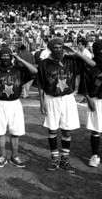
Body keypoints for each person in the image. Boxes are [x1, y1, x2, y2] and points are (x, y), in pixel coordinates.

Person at [38, 38, 95, 174]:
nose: (58, 49)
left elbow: (92, 64)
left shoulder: (71, 60)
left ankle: (65, 159)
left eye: (60, 47)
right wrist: (42, 102)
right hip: (51, 99)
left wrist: (76, 52)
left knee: (67, 130)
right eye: (55, 47)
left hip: (68, 99)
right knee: (52, 130)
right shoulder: (44, 64)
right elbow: (41, 85)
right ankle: (54, 159)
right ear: (50, 48)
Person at [0, 46, 37, 168]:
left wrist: (19, 59)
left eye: (7, 55)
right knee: (1, 132)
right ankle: (2, 156)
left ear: (11, 56)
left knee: (16, 131)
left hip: (15, 103)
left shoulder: (18, 70)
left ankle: (15, 156)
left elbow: (34, 71)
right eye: (3, 56)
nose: (5, 58)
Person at [80, 40, 102, 167]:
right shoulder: (89, 66)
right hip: (96, 100)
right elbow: (84, 84)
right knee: (95, 129)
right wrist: (88, 99)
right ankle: (95, 155)